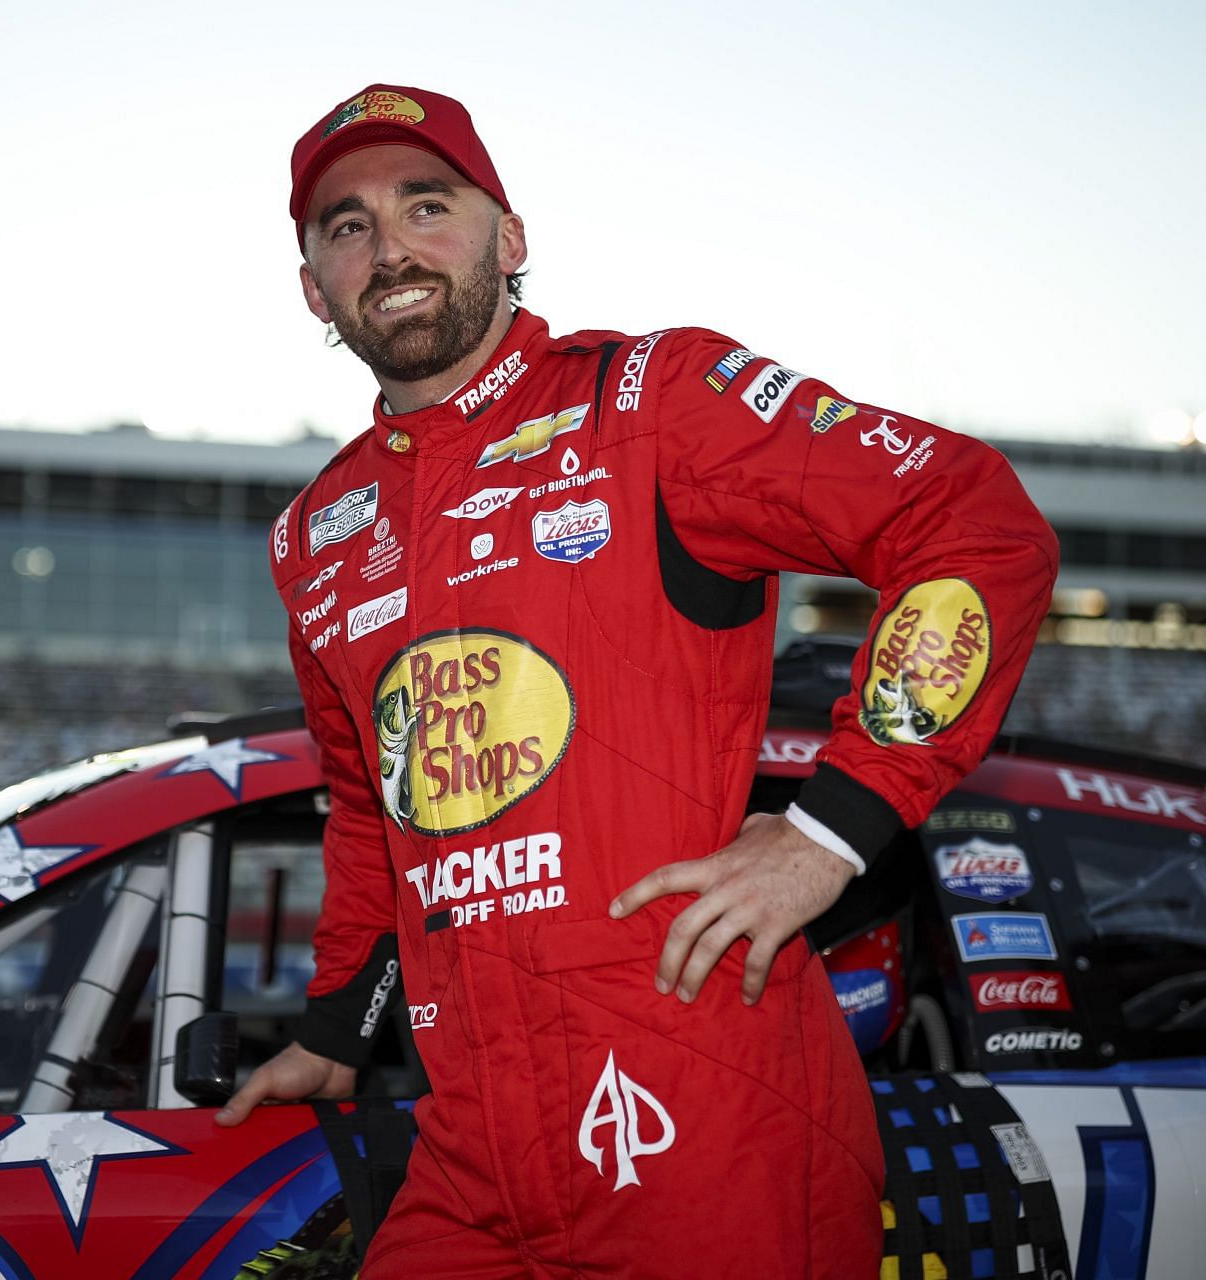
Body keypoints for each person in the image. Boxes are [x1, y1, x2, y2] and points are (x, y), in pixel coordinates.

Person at [212, 84, 1059, 1279]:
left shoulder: (656, 403)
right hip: (473, 1138)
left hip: (710, 1111)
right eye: (345, 225)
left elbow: (971, 521)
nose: (389, 245)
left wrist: (834, 825)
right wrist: (340, 1026)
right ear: (314, 286)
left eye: (427, 204)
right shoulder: (316, 532)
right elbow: (372, 804)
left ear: (510, 239)